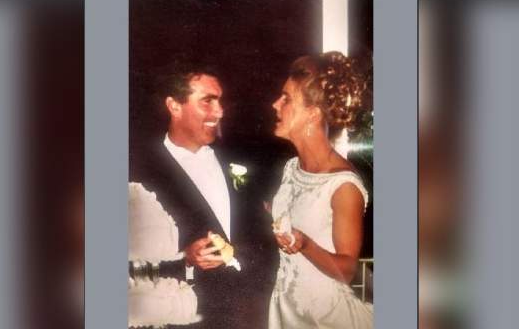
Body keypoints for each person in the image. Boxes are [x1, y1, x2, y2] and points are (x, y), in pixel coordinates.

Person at [130, 62, 278, 329]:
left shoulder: (241, 158)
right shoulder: (140, 172)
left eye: (220, 101)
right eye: (207, 101)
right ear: (174, 106)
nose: (219, 111)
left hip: (250, 312)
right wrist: (185, 257)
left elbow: (261, 233)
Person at [268, 51, 373, 329]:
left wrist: (305, 245)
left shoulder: (343, 185)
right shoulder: (291, 168)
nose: (275, 104)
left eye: (286, 99)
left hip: (325, 319)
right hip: (288, 310)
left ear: (313, 114)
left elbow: (347, 269)